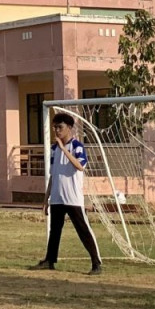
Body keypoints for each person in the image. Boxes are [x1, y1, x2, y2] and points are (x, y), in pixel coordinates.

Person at [33, 111, 102, 275]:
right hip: (57, 197)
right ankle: (49, 260)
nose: (57, 130)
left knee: (83, 230)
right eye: (55, 127)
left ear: (69, 128)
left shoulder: (77, 146)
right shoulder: (53, 149)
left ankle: (96, 263)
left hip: (73, 198)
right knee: (54, 231)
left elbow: (80, 166)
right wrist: (46, 199)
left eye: (60, 127)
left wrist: (64, 149)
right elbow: (53, 175)